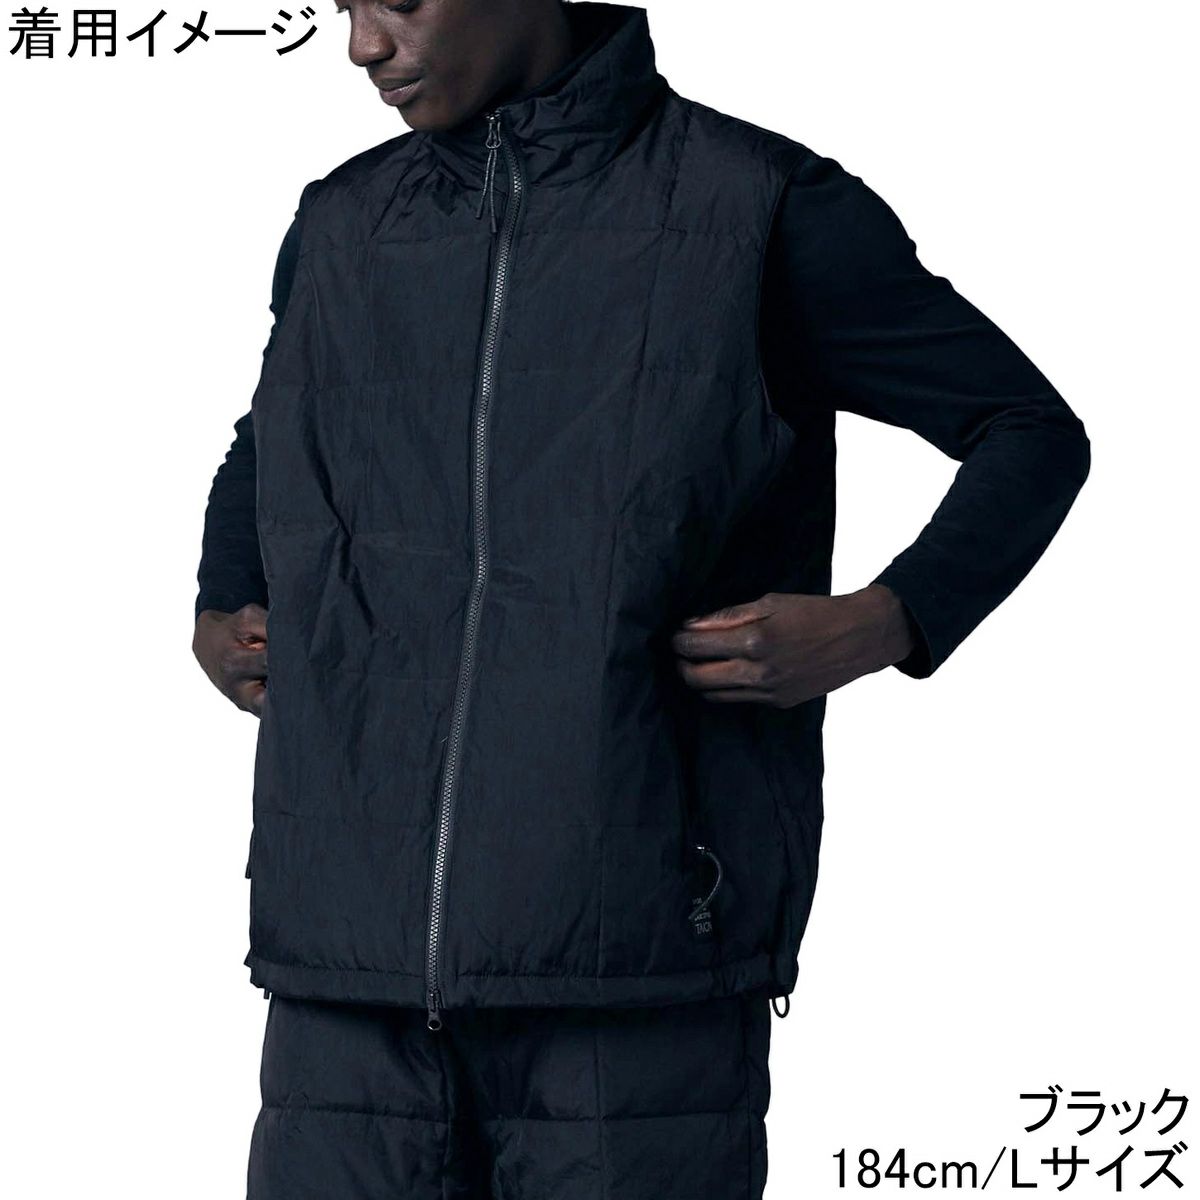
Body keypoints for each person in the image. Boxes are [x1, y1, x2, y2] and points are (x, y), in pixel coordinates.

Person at [192, 2, 1091, 1196]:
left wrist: (886, 620)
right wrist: (224, 603)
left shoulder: (756, 207)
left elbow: (1027, 430)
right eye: (343, 5)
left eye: (399, 1)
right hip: (344, 963)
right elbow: (271, 432)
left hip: (639, 958)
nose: (362, 45)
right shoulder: (345, 220)